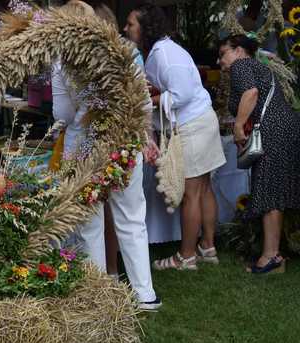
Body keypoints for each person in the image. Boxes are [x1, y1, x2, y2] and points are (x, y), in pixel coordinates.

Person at [52, 0, 161, 310]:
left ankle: (98, 294)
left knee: (89, 222)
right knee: (132, 218)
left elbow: (63, 112)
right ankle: (144, 293)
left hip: (84, 147)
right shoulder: (124, 51)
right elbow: (143, 103)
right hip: (123, 143)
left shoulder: (62, 60)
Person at [125, 4, 226, 271]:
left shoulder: (164, 54)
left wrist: (148, 98)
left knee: (192, 193)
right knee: (204, 188)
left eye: (130, 24)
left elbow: (181, 95)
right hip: (201, 121)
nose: (126, 29)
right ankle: (208, 246)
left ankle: (186, 257)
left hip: (193, 126)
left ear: (146, 28)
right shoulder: (162, 51)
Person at [218, 34, 300, 273]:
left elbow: (251, 93)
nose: (220, 60)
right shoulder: (256, 65)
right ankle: (273, 255)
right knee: (272, 189)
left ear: (240, 51)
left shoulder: (241, 65)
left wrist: (237, 127)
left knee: (270, 189)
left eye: (223, 53)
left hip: (273, 131)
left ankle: (271, 257)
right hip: (283, 128)